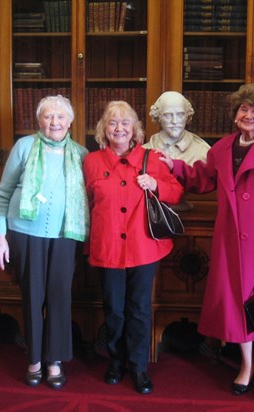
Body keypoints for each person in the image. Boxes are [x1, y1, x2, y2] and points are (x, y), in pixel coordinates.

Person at [159, 84, 254, 403]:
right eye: (243, 110)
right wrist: (174, 166)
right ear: (235, 115)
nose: (248, 115)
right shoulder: (221, 149)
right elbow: (203, 178)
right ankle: (246, 365)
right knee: (238, 305)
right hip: (230, 240)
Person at [83, 101, 184, 395]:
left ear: (135, 129)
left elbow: (176, 191)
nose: (119, 128)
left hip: (143, 248)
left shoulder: (152, 158)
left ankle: (138, 366)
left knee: (139, 309)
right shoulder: (91, 162)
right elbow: (86, 203)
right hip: (107, 247)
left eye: (125, 123)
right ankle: (116, 361)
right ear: (104, 129)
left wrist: (155, 184)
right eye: (113, 123)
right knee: (113, 309)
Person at [0, 95, 88, 390]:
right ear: (39, 120)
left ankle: (54, 360)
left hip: (65, 237)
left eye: (60, 117)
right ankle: (34, 358)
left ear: (70, 122)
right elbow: (2, 193)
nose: (54, 122)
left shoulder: (82, 154)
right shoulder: (23, 147)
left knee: (59, 297)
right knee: (32, 296)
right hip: (25, 235)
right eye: (48, 116)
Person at [144, 91, 211, 211]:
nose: (174, 121)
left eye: (180, 114)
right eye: (168, 115)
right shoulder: (144, 151)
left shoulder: (203, 151)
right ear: (158, 117)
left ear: (188, 116)